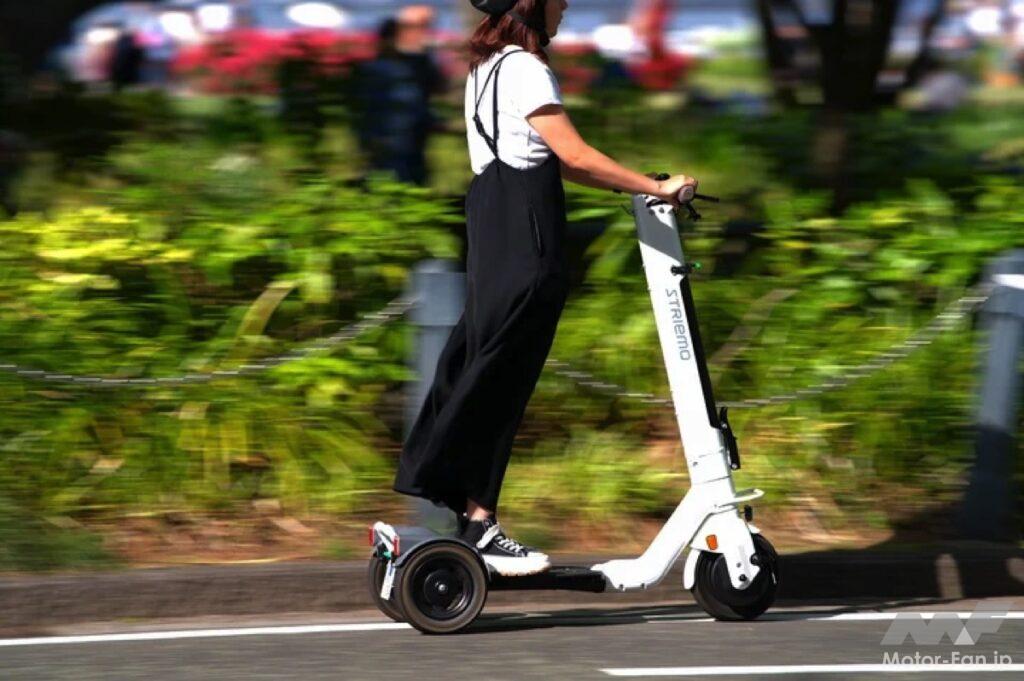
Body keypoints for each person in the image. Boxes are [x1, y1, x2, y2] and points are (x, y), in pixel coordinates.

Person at [393, 0, 697, 577]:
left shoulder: (485, 69)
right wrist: (660, 187)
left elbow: (566, 163)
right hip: (527, 231)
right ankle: (480, 523)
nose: (565, 5)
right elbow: (574, 153)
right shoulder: (528, 69)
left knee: (484, 362)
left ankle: (466, 513)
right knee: (503, 376)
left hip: (490, 222)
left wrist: (640, 185)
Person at [355, 6, 447, 185]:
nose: (423, 33)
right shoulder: (378, 68)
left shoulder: (419, 62)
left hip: (413, 139)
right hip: (390, 140)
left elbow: (437, 86)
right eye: (415, 28)